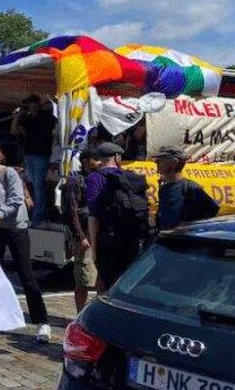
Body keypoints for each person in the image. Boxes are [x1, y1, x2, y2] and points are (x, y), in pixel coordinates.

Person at [0, 140, 51, 342]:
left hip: (15, 227)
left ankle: (42, 322)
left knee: (26, 274)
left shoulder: (8, 173)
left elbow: (16, 199)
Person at [87, 142, 149, 291]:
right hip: (131, 238)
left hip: (108, 239)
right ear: (116, 157)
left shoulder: (94, 178)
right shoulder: (131, 177)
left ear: (101, 159)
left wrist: (94, 248)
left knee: (106, 284)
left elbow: (93, 216)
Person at [11, 95, 55, 224]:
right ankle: (36, 209)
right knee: (31, 183)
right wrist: (17, 117)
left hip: (42, 155)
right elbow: (14, 131)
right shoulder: (26, 118)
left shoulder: (46, 115)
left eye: (30, 104)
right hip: (29, 154)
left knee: (38, 185)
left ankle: (39, 213)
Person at [63, 150, 98, 312]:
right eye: (95, 159)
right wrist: (80, 237)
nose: (99, 162)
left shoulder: (101, 179)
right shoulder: (76, 181)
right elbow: (71, 211)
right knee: (83, 279)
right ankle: (80, 314)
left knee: (100, 279)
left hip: (99, 234)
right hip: (84, 235)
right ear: (85, 161)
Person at [154, 147, 219, 231]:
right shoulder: (163, 188)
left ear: (174, 162)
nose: (156, 162)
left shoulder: (190, 188)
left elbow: (212, 210)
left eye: (162, 159)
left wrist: (189, 224)